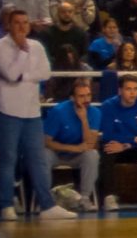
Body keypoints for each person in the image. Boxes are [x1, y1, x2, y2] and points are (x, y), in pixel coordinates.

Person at [0, 11, 78, 221]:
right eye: (17, 23)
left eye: (25, 22)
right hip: (7, 110)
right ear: (8, 25)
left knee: (37, 159)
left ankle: (46, 206)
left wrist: (24, 76)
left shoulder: (37, 46)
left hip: (31, 112)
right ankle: (6, 205)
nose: (21, 26)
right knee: (8, 159)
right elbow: (10, 75)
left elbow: (45, 73)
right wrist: (22, 51)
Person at [98, 74, 137, 210]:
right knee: (107, 149)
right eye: (128, 89)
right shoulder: (108, 106)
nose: (133, 93)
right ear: (120, 91)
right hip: (117, 147)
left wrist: (128, 144)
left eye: (135, 89)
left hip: (134, 148)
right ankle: (109, 196)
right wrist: (135, 138)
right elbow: (108, 134)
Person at [42, 78, 101, 211]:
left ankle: (85, 198)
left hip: (78, 155)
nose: (86, 100)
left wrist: (84, 119)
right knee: (43, 155)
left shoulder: (95, 113)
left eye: (88, 95)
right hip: (56, 153)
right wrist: (73, 148)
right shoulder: (59, 111)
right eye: (81, 96)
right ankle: (45, 200)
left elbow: (90, 144)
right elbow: (46, 141)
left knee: (92, 155)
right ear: (72, 98)